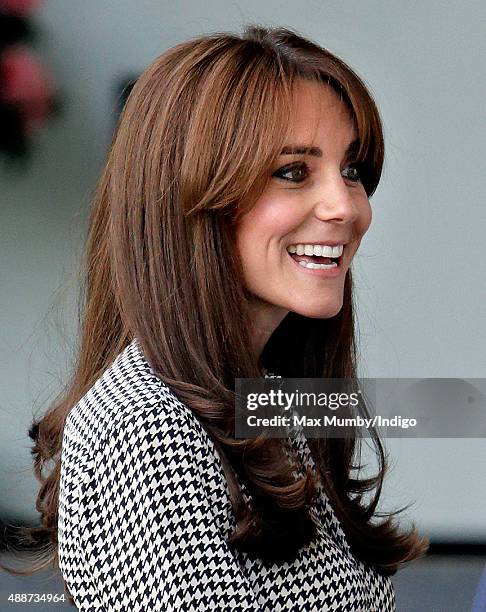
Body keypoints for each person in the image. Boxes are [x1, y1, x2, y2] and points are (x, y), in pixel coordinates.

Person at [4, 24, 429, 610]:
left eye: (352, 170)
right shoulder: (143, 434)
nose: (348, 207)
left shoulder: (269, 400)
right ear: (187, 200)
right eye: (293, 171)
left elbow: (448, 405)